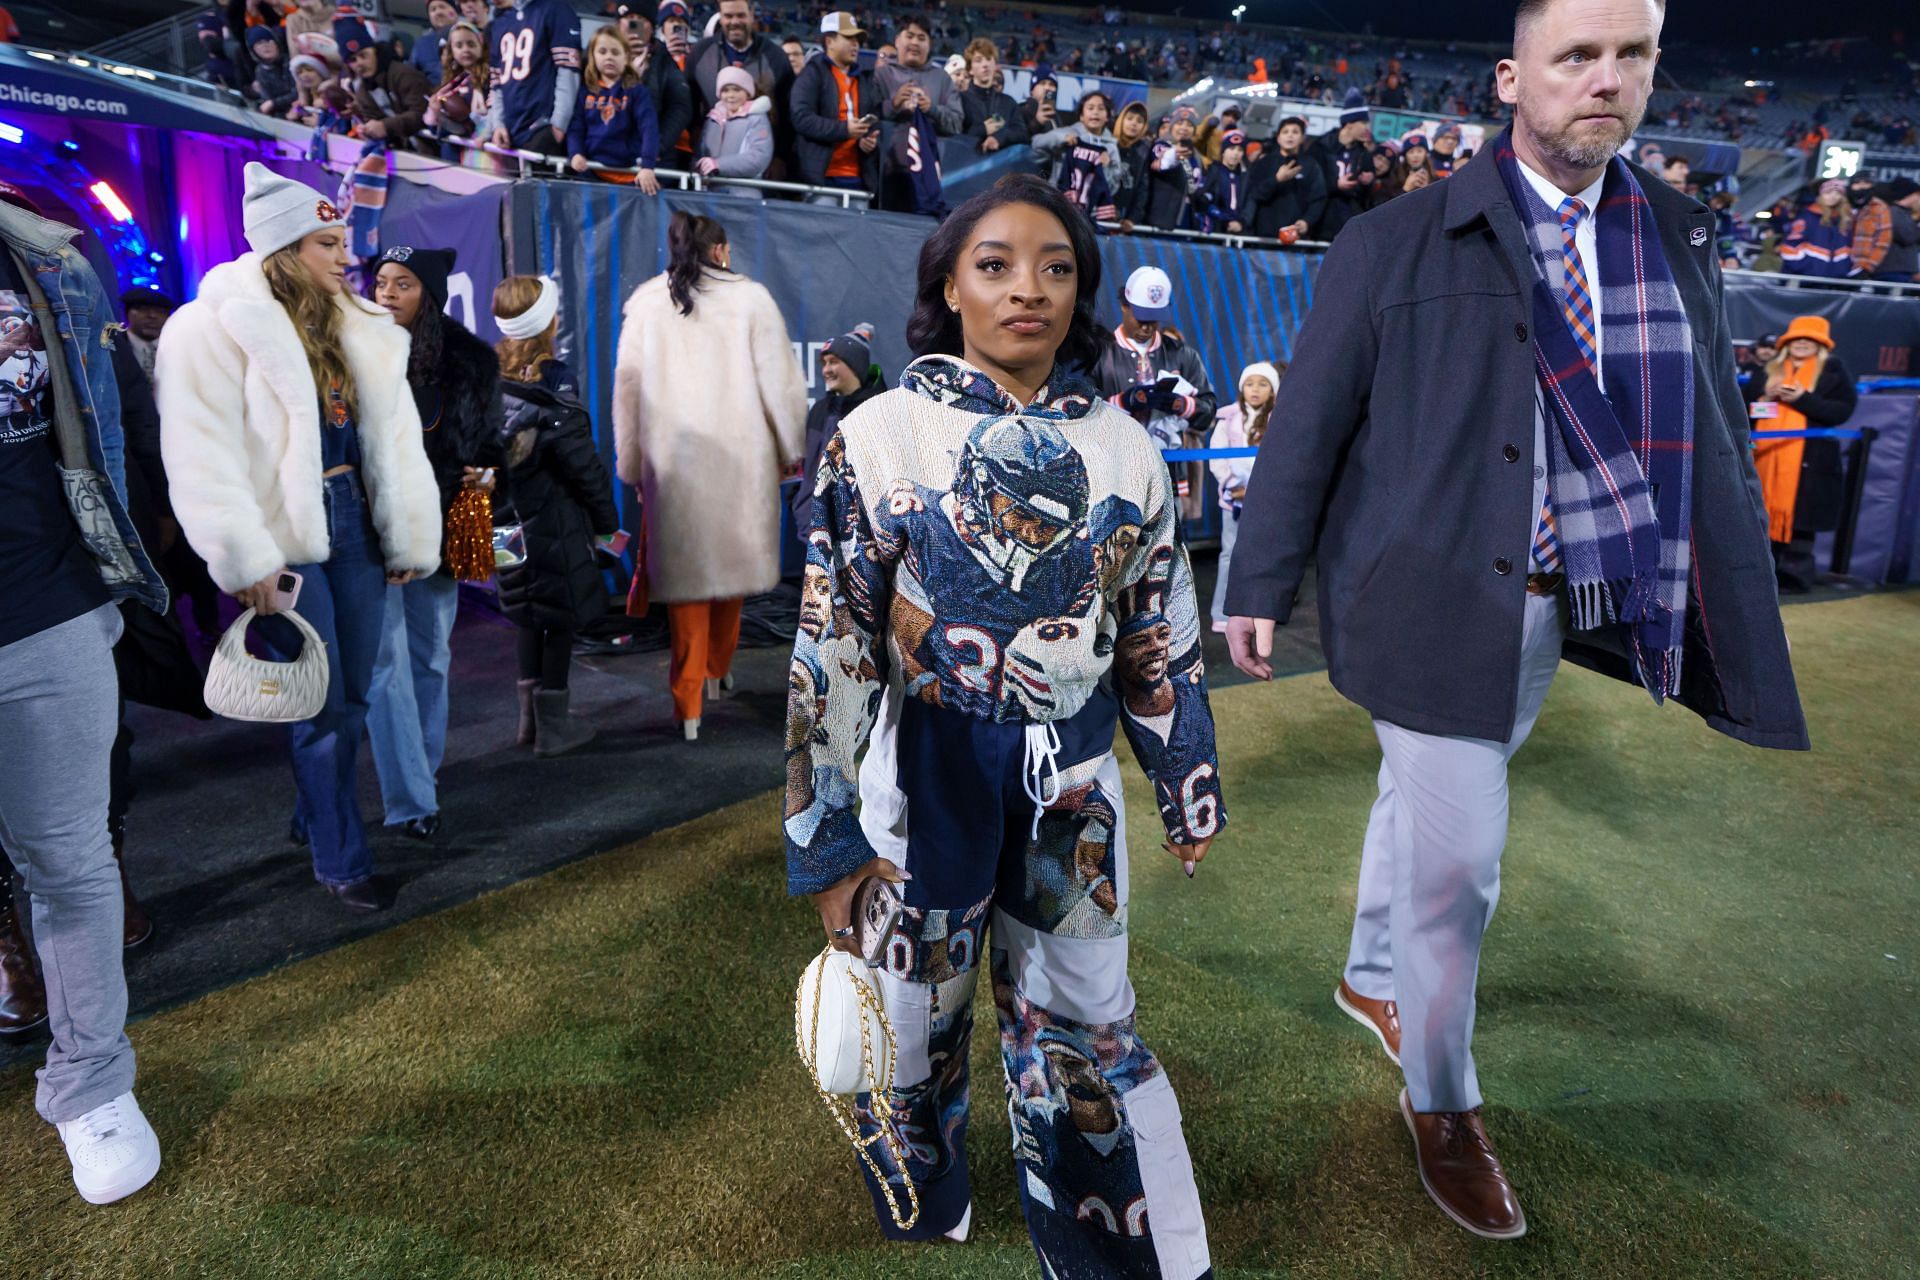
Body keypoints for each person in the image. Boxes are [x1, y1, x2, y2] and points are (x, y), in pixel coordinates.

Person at [1225, 0, 1807, 1241]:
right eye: (1577, 56)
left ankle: (1369, 976)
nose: (1606, 80)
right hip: (1429, 601)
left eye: (1632, 56)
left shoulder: (1674, 232)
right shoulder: (1395, 236)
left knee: (1424, 810)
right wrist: (1255, 581)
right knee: (1461, 865)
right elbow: (1312, 417)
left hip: (1568, 605)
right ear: (1512, 78)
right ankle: (1443, 1099)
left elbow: (1702, 429)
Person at [785, 173, 1221, 1274]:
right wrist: (826, 839)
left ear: (1083, 291)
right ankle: (921, 1189)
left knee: (1082, 1013)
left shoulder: (1127, 450)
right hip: (921, 770)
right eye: (996, 263)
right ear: (948, 281)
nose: (1029, 287)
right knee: (911, 1015)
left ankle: (1099, 1227)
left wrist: (1183, 773)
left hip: (1071, 780)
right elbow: (831, 640)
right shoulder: (878, 435)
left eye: (1057, 266)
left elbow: (1157, 631)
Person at [158, 166, 441, 915]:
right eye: (327, 242)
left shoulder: (350, 323)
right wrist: (247, 557)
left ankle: (318, 810)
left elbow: (394, 435)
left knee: (351, 694)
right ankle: (341, 858)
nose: (344, 256)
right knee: (320, 705)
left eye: (343, 239)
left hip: (356, 520)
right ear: (285, 247)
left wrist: (404, 530)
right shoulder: (209, 328)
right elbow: (201, 453)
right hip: (285, 532)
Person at [0, 185, 170, 1204]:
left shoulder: (44, 252)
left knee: (69, 859)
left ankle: (93, 1082)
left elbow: (116, 430)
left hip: (49, 606)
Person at [612, 214, 805, 739]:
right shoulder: (751, 299)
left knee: (688, 587)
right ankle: (718, 671)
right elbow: (782, 384)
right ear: (720, 250)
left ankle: (690, 701)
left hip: (673, 465)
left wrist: (630, 463)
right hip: (740, 462)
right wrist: (791, 447)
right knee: (731, 577)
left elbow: (627, 390)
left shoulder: (648, 303)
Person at [364, 246, 500, 836]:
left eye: (403, 284)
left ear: (430, 294)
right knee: (384, 664)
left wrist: (491, 473)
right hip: (369, 531)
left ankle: (421, 774)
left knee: (430, 659)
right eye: (381, 282)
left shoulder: (470, 361)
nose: (387, 293)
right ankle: (411, 799)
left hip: (441, 531)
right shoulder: (352, 347)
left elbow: (489, 443)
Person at [490, 276, 618, 755]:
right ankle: (554, 729)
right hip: (553, 519)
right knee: (558, 616)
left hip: (503, 519)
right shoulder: (556, 381)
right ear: (548, 321)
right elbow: (580, 461)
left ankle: (528, 723)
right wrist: (605, 521)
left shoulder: (486, 376)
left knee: (526, 614)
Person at [1743, 315, 1857, 593]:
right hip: (1765, 458)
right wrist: (1766, 400)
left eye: (1811, 339)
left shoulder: (1832, 370)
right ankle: (1759, 576)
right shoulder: (1767, 370)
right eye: (1797, 338)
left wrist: (1802, 399)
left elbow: (1840, 412)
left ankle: (1794, 579)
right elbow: (1746, 413)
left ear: (1821, 345)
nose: (1803, 343)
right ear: (1787, 342)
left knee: (1802, 524)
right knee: (1758, 516)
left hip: (1810, 462)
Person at [790, 323, 885, 533]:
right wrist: (801, 504)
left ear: (855, 365)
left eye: (833, 362)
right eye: (823, 363)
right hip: (810, 531)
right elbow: (806, 468)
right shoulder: (820, 410)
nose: (826, 370)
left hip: (859, 537)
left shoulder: (877, 408)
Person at [1207, 361, 1280, 631]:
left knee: (1267, 556)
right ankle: (1222, 615)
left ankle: (1262, 614)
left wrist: (1261, 490)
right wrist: (1233, 486)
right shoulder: (1228, 418)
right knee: (1230, 555)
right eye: (1250, 384)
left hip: (1267, 500)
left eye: (1263, 384)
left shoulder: (1280, 419)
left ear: (1273, 390)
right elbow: (1217, 459)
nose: (1255, 390)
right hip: (1234, 501)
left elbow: (1282, 461)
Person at [685, 0, 796, 175]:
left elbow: (788, 114)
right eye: (728, 16)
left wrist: (780, 157)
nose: (735, 22)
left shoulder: (776, 58)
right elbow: (688, 106)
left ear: (752, 15)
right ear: (720, 18)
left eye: (741, 15)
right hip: (709, 164)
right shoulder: (700, 54)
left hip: (760, 166)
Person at [790, 12, 879, 201]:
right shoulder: (812, 73)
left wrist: (867, 140)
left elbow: (875, 117)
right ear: (829, 41)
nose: (855, 43)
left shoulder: (862, 79)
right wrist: (844, 129)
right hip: (822, 178)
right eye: (848, 37)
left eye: (857, 39)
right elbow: (801, 117)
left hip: (857, 177)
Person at [567, 26, 662, 192]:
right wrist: (575, 153)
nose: (609, 57)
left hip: (629, 176)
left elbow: (649, 129)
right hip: (592, 172)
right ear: (593, 56)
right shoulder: (585, 91)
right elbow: (576, 127)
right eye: (602, 51)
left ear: (626, 58)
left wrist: (648, 166)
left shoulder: (637, 92)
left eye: (615, 52)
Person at [482, 0, 582, 156]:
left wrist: (558, 125)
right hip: (509, 133)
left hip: (542, 129)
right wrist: (498, 124)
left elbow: (567, 70)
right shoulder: (500, 23)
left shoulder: (556, 9)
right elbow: (496, 82)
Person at [616, 4, 693, 172]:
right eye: (629, 19)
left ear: (652, 27)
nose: (634, 26)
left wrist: (657, 145)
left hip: (652, 157)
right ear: (618, 24)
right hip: (602, 151)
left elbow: (680, 106)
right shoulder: (600, 51)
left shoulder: (662, 58)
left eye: (641, 21)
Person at [1030, 90, 1123, 223]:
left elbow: (1112, 189)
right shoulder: (1067, 133)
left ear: (1107, 116)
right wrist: (1061, 139)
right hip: (1058, 207)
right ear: (1081, 116)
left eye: (1101, 109)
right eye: (1090, 108)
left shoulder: (1111, 148)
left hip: (1090, 217)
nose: (1095, 112)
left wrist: (1106, 167)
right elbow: (1036, 143)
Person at [347, 26, 434, 149]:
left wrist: (386, 126)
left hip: (429, 147)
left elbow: (421, 113)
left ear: (375, 52)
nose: (359, 63)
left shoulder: (403, 74)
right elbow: (371, 118)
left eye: (363, 55)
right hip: (396, 149)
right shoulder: (362, 89)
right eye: (353, 60)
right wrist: (368, 129)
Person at [1308, 88, 1375, 239]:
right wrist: (1335, 185)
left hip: (1350, 223)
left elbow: (1367, 197)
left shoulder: (1364, 153)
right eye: (1363, 122)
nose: (1367, 127)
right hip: (1321, 222)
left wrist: (1368, 182)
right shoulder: (1320, 147)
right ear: (1349, 124)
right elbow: (1309, 183)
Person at [1248, 114, 1324, 241]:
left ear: (1302, 138)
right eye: (1285, 132)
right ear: (1278, 137)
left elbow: (1319, 198)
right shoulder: (1264, 163)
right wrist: (1276, 180)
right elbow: (1254, 195)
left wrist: (1307, 221)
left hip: (1297, 238)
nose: (1290, 135)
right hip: (1265, 237)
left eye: (1295, 132)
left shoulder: (1310, 165)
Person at [698, 65, 775, 184]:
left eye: (736, 90)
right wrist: (699, 168)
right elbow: (700, 153)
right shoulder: (713, 119)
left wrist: (719, 165)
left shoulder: (757, 118)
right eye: (725, 90)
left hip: (743, 193)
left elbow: (758, 158)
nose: (730, 95)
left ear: (748, 92)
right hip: (710, 193)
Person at [423, 18, 490, 141]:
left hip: (486, 148)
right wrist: (436, 112)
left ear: (481, 46)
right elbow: (438, 132)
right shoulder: (448, 84)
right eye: (459, 46)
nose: (465, 50)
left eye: (471, 44)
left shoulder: (490, 79)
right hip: (456, 152)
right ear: (452, 51)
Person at [959, 37, 1028, 153]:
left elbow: (1022, 133)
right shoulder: (960, 100)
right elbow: (954, 135)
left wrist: (999, 138)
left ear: (995, 65)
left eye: (988, 59)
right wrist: (984, 129)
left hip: (1002, 168)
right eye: (978, 60)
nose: (985, 64)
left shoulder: (1008, 103)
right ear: (970, 69)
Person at [1142, 104, 1205, 231]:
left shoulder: (1196, 156)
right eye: (1179, 123)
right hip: (1162, 221)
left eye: (1189, 125)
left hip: (1186, 219)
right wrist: (1173, 155)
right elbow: (1163, 164)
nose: (1184, 128)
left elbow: (1196, 186)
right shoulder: (1161, 145)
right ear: (1172, 127)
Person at [1780, 179, 1854, 278]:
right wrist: (1809, 269)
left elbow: (1848, 249)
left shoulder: (1844, 220)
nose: (1833, 197)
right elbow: (1789, 248)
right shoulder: (1807, 217)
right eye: (1828, 192)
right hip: (1806, 281)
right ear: (1820, 195)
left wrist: (1843, 270)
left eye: (1838, 193)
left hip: (1835, 282)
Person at [1198, 128, 1252, 232]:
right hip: (1214, 228)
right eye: (1231, 148)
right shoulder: (1212, 172)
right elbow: (1203, 199)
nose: (1235, 154)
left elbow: (1250, 203)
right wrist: (1223, 219)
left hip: (1239, 230)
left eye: (1240, 150)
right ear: (1223, 151)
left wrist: (1242, 222)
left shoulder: (1245, 177)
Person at [1110, 99, 1153, 226]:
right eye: (1129, 118)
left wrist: (1133, 218)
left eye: (1140, 121)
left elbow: (1143, 188)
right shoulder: (1107, 144)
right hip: (1099, 210)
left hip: (1124, 214)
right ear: (1121, 120)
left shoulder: (1144, 151)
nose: (1134, 124)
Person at [1847, 175, 1894, 279]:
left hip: (1861, 267)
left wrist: (1867, 267)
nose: (1861, 186)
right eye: (1857, 183)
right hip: (1835, 264)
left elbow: (1883, 242)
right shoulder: (1841, 203)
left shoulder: (1880, 207)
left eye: (1866, 183)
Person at [1873, 177, 1919, 282]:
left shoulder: (1905, 213)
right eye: (1917, 195)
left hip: (1902, 271)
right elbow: (1908, 237)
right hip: (1892, 271)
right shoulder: (1893, 212)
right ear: (1910, 195)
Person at [248, 27, 297, 116]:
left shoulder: (291, 62)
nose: (265, 45)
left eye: (269, 40)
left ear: (276, 43)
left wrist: (274, 103)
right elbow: (267, 99)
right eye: (259, 43)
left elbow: (297, 93)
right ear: (253, 49)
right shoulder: (260, 70)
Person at [411, 0, 457, 87]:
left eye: (442, 7)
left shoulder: (470, 35)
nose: (438, 12)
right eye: (433, 9)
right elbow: (412, 77)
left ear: (455, 11)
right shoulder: (421, 45)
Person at [1017, 71, 1059, 140]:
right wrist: (1037, 122)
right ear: (1032, 90)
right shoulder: (1021, 109)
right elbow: (1017, 139)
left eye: (1051, 84)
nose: (1047, 88)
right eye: (1042, 83)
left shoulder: (1055, 115)